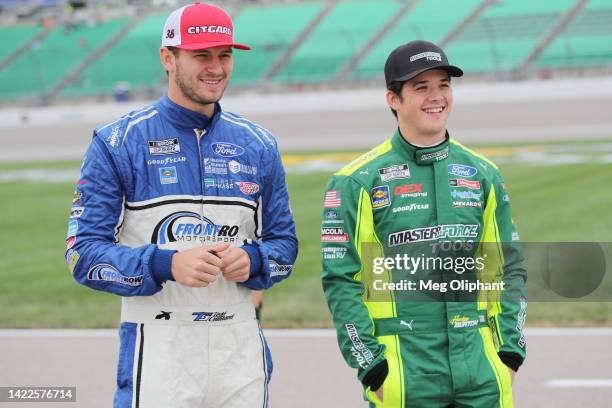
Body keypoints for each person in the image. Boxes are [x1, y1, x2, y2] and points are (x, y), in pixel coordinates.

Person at [65, 3, 298, 407]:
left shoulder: (259, 144)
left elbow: (285, 246)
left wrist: (255, 261)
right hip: (159, 345)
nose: (216, 67)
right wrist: (166, 264)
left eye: (224, 55)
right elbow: (81, 255)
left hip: (238, 345)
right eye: (201, 55)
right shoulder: (117, 143)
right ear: (167, 58)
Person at [321, 40, 527, 407]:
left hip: (481, 374)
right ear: (393, 99)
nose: (437, 97)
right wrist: (373, 369)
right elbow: (342, 281)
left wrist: (510, 352)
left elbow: (508, 267)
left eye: (443, 85)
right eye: (421, 87)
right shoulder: (356, 182)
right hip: (405, 375)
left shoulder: (484, 175)